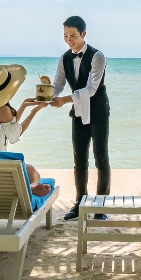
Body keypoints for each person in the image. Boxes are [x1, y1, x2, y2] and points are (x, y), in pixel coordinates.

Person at [47, 15, 110, 220]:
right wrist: (47, 96)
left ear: (83, 34)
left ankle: (101, 206)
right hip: (78, 112)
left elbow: (91, 89)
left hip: (98, 111)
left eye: (73, 35)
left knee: (101, 158)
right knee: (79, 159)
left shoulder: (98, 56)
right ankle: (80, 203)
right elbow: (58, 84)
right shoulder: (64, 58)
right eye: (65, 35)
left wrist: (64, 100)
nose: (69, 40)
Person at [0, 64, 50, 196]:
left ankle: (31, 187)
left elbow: (7, 124)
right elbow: (16, 133)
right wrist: (34, 111)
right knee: (33, 172)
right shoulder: (4, 110)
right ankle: (30, 189)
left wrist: (24, 105)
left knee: (31, 171)